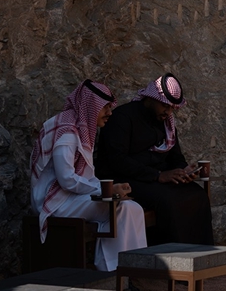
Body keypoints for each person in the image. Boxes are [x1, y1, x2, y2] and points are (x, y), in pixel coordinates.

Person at [31, 79, 148, 272]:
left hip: (70, 197)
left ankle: (129, 271)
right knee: (121, 209)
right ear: (91, 107)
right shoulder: (67, 133)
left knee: (131, 207)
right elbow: (67, 179)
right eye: (105, 108)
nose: (110, 113)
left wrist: (112, 191)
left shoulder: (80, 128)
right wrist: (106, 191)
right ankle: (112, 272)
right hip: (54, 202)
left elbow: (85, 176)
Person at [96, 73, 214, 245]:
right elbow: (117, 160)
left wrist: (184, 171)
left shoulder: (166, 123)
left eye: (172, 108)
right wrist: (158, 175)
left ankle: (199, 256)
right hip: (128, 179)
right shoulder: (122, 117)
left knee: (197, 195)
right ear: (151, 98)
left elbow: (176, 157)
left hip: (156, 179)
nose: (168, 111)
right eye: (164, 105)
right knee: (169, 201)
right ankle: (172, 258)